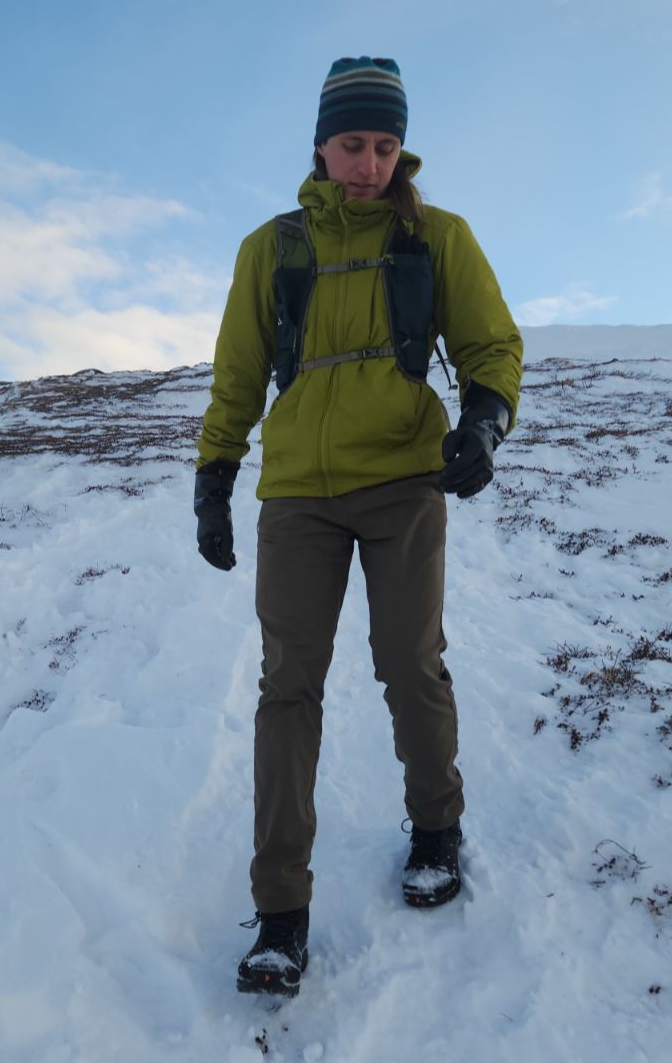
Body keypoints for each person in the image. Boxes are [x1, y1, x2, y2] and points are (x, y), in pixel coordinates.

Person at [193, 56, 524, 997]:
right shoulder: (274, 247)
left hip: (403, 485)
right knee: (287, 687)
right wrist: (215, 474)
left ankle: (435, 828)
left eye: (385, 146)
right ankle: (281, 913)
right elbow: (238, 369)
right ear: (321, 145)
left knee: (409, 662)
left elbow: (491, 343)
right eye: (353, 144)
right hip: (297, 494)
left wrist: (486, 420)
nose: (369, 163)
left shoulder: (437, 238)